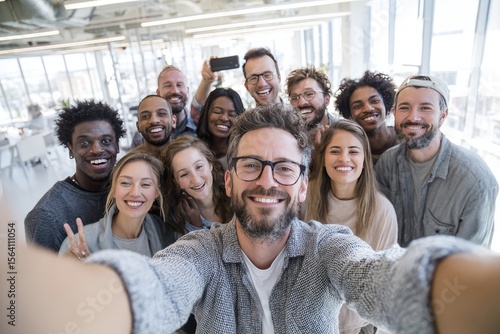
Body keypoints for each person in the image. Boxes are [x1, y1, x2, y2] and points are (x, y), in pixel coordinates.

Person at [12, 103, 500, 334]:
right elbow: (155, 288)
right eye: (251, 165)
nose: (268, 180)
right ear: (228, 181)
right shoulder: (199, 252)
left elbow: (387, 279)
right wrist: (37, 293)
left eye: (284, 167)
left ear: (303, 185)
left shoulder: (329, 246)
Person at [375, 75, 498, 247]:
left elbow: (471, 260)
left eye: (425, 108)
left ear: (443, 115)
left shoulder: (475, 181)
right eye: (405, 107)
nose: (413, 117)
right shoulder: (386, 163)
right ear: (395, 113)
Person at [303, 119, 398, 334]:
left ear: (365, 159)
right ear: (324, 158)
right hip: (305, 318)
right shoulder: (306, 196)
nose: (344, 158)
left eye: (353, 151)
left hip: (356, 326)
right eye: (335, 151)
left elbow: (382, 283)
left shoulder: (382, 211)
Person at [24, 100, 126, 252]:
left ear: (117, 146)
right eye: (84, 143)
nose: (97, 149)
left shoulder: (131, 190)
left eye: (106, 141)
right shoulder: (45, 217)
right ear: (70, 149)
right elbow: (42, 275)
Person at [59, 151, 176, 258]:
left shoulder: (164, 232)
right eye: (125, 183)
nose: (135, 193)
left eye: (145, 184)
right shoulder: (80, 243)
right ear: (114, 189)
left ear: (156, 192)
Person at [161, 136, 232, 235]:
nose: (196, 180)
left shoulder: (236, 195)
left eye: (199, 167)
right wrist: (196, 226)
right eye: (184, 174)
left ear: (210, 164)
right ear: (176, 182)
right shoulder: (178, 220)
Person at [335, 71, 397, 164]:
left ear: (386, 104)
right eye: (358, 106)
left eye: (374, 101)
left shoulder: (404, 138)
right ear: (349, 115)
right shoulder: (349, 152)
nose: (368, 109)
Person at [285, 66, 336, 146]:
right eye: (295, 97)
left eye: (309, 94)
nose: (301, 103)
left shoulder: (345, 133)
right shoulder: (286, 137)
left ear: (326, 100)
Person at [195, 87, 245, 170]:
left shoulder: (243, 152)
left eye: (232, 114)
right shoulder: (194, 150)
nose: (224, 118)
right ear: (206, 114)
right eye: (217, 112)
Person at [156, 65, 197, 138]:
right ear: (158, 93)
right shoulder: (145, 135)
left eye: (179, 85)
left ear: (187, 90)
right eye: (168, 86)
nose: (175, 91)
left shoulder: (200, 127)